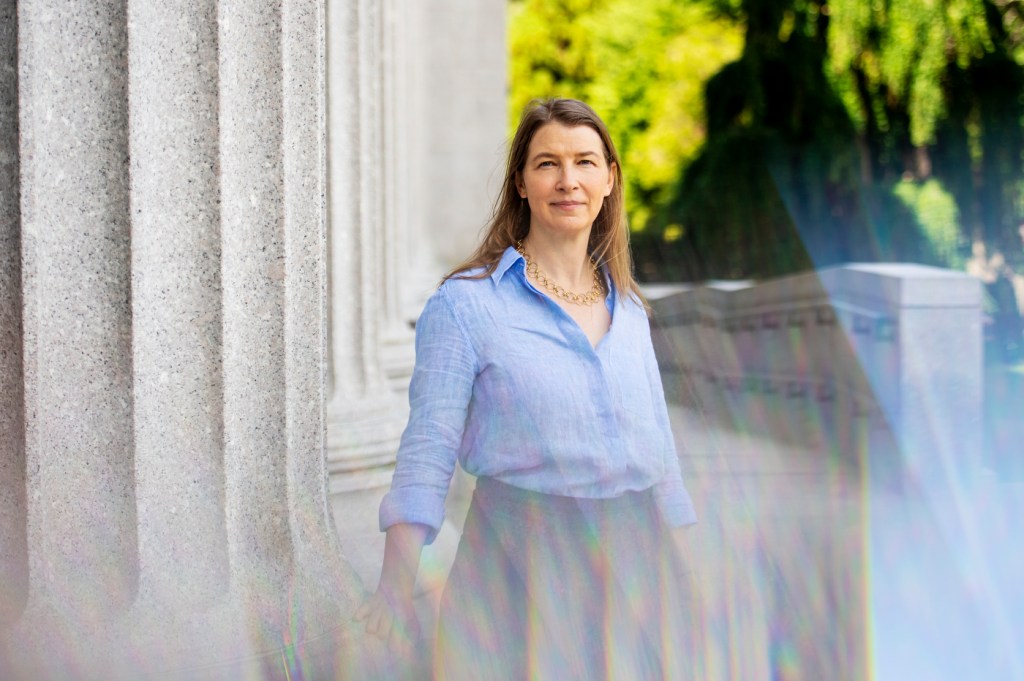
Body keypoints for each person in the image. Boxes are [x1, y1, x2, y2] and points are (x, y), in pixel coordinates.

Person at [356, 98, 698, 680]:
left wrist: (690, 569)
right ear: (520, 181)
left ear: (610, 179)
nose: (569, 181)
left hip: (641, 560)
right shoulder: (466, 305)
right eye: (548, 164)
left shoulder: (632, 311)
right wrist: (395, 588)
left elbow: (659, 451)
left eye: (586, 162)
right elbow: (427, 452)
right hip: (520, 560)